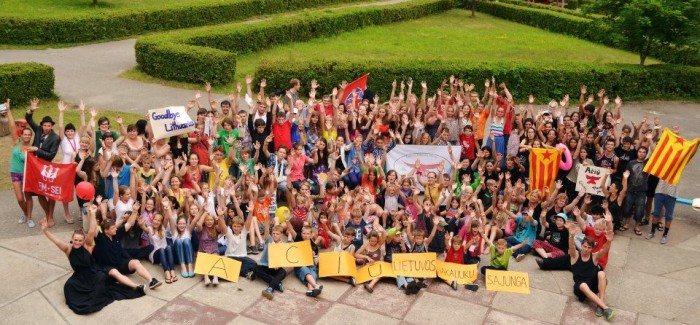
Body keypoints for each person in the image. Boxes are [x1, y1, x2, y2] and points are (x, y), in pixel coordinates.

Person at [41, 203, 144, 314]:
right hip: (79, 277)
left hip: (94, 273)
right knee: (69, 286)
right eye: (76, 240)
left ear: (83, 241)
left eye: (80, 240)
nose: (77, 242)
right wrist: (45, 231)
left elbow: (91, 231)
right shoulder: (68, 249)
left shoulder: (87, 246)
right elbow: (56, 241)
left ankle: (135, 287)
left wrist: (93, 214)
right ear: (72, 239)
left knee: (100, 283)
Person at [92, 201, 162, 290]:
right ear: (106, 231)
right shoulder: (100, 237)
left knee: (135, 262)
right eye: (113, 228)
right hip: (107, 266)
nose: (115, 229)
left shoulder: (116, 233)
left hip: (120, 262)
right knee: (115, 273)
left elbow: (129, 224)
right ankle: (137, 287)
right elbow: (92, 230)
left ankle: (151, 280)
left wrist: (135, 211)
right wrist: (93, 214)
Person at [566, 222, 615, 320]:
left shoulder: (594, 257)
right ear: (581, 245)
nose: (586, 249)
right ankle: (605, 308)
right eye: (584, 246)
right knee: (583, 285)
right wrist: (571, 235)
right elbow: (571, 247)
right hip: (580, 287)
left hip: (592, 284)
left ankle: (599, 306)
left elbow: (603, 250)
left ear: (592, 249)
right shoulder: (575, 255)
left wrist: (609, 241)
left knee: (601, 273)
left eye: (589, 248)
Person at [25, 98, 61, 228]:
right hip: (34, 167)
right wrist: (32, 109)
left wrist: (37, 150)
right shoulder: (38, 130)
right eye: (44, 125)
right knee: (39, 192)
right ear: (42, 126)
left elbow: (51, 155)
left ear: (52, 126)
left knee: (50, 192)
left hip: (46, 167)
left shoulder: (56, 138)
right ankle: (48, 215)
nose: (46, 128)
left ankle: (50, 217)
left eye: (48, 126)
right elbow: (28, 119)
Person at [6, 99, 37, 227]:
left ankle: (29, 218)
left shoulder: (32, 149)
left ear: (30, 137)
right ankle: (26, 214)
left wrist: (36, 150)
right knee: (20, 198)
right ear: (22, 135)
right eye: (25, 134)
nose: (26, 136)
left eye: (29, 135)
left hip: (26, 175)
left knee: (28, 197)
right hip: (15, 173)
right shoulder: (16, 142)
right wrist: (8, 110)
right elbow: (12, 125)